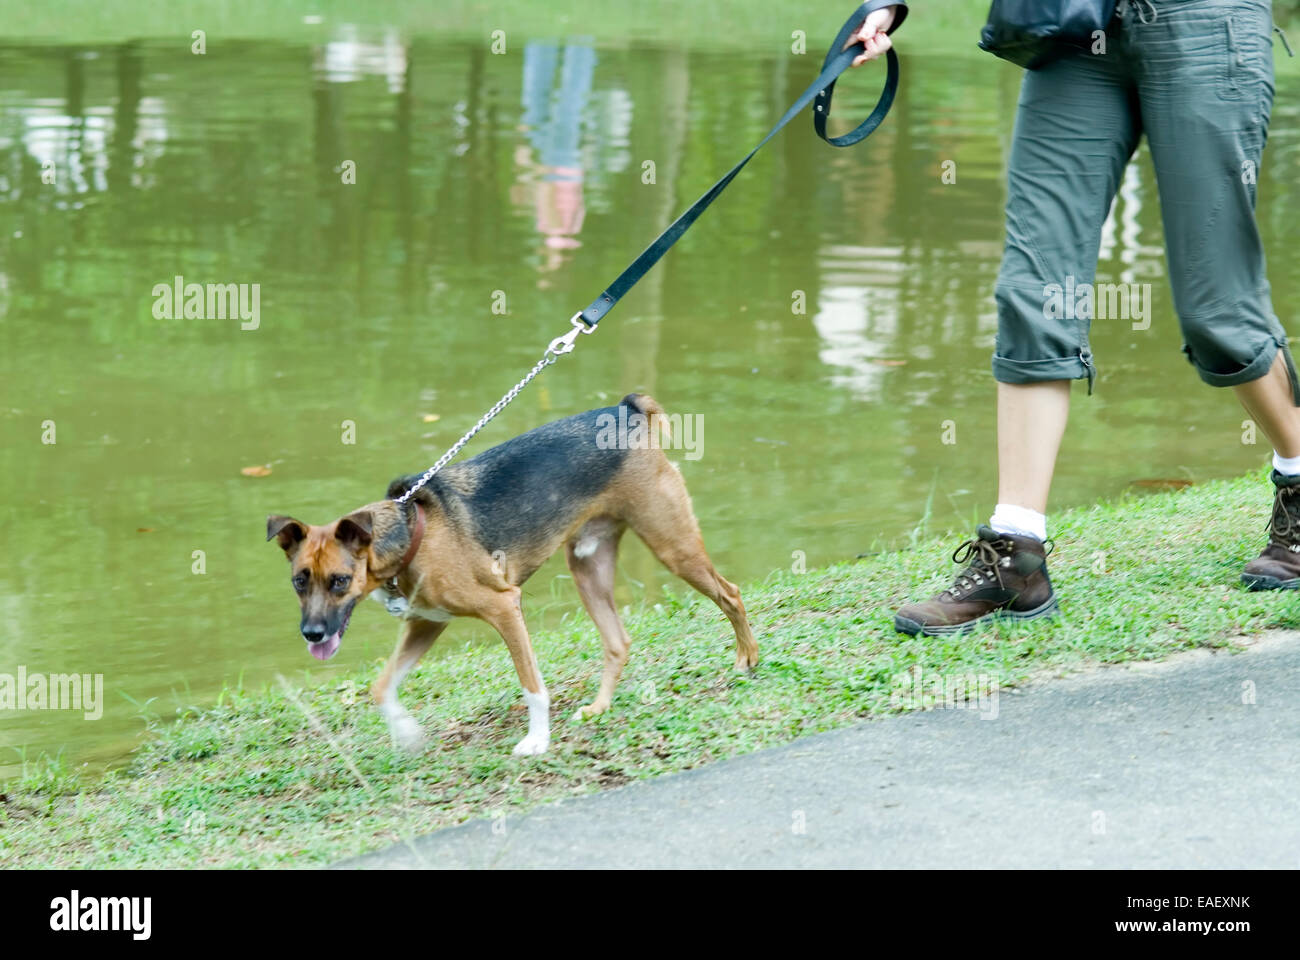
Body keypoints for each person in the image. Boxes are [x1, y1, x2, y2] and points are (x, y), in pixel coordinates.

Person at [853, 1, 1299, 636]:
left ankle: (1299, 473)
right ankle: (1017, 555)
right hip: (1070, 27)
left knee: (1216, 308)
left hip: (1205, 26)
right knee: (1035, 290)